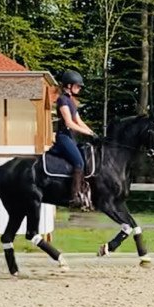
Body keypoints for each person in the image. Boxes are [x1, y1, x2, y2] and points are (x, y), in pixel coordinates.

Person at [53, 70, 97, 208]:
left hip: (71, 138)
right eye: (77, 86)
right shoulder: (62, 100)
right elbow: (69, 123)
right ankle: (74, 196)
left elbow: (78, 121)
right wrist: (87, 133)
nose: (79, 88)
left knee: (84, 159)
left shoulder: (71, 101)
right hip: (63, 137)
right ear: (69, 85)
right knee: (78, 163)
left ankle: (84, 192)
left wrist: (93, 132)